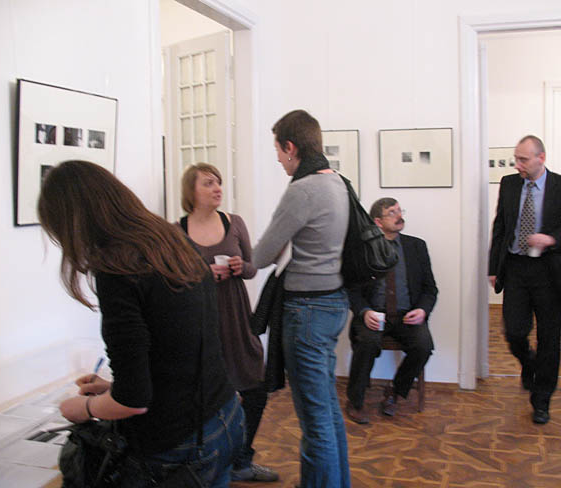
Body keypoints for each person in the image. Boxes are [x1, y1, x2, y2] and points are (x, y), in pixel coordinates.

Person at [37, 160, 243, 487]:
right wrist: (112, 389)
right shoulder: (169, 239)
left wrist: (85, 407)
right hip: (224, 415)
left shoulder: (117, 268)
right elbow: (177, 349)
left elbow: (132, 402)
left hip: (180, 443)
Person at [253, 109, 350, 488]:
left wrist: (242, 262)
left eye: (278, 151)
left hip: (307, 310)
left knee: (314, 418)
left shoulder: (303, 190)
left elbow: (262, 256)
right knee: (327, 410)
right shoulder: (337, 182)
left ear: (291, 147)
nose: (278, 159)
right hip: (333, 302)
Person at [179, 163, 278, 483]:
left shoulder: (234, 223)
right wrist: (203, 274)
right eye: (208, 183)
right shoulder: (176, 231)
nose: (217, 188)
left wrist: (240, 266)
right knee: (205, 393)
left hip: (236, 316)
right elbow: (173, 279)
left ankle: (242, 459)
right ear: (191, 191)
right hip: (200, 320)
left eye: (218, 182)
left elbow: (252, 267)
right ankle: (206, 460)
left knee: (255, 386)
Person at [488, 135, 561, 425]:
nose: (517, 165)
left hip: (549, 271)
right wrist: (493, 267)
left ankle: (542, 400)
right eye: (516, 159)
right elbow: (500, 227)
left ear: (541, 158)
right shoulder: (509, 184)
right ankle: (529, 363)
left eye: (523, 159)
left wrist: (551, 239)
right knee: (514, 332)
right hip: (516, 268)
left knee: (549, 339)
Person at [345, 198, 438, 424]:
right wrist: (364, 311)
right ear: (378, 222)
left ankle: (395, 392)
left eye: (399, 210)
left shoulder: (416, 246)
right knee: (366, 343)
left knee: (423, 346)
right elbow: (351, 289)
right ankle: (355, 401)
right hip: (374, 315)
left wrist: (422, 310)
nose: (399, 216)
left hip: (407, 316)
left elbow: (430, 289)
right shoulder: (362, 249)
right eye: (392, 213)